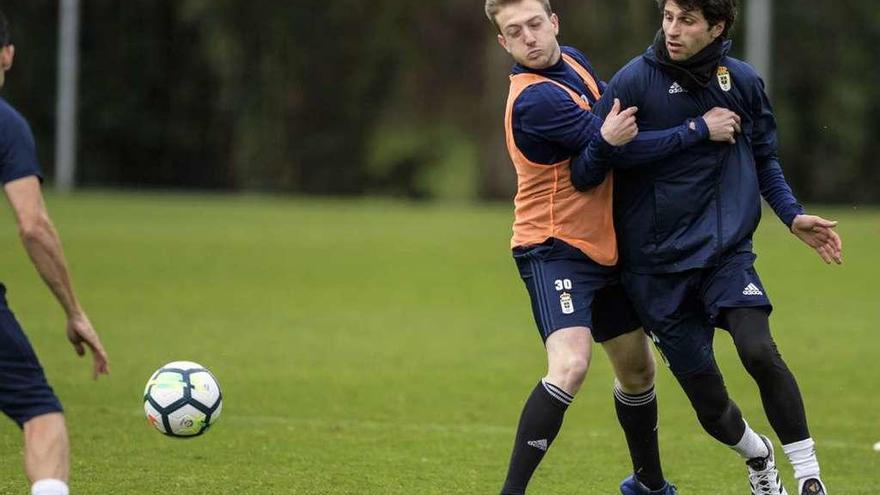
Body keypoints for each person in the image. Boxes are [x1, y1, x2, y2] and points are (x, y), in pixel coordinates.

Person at [571, 1, 841, 494]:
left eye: (687, 20)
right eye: (669, 16)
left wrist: (792, 214)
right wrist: (691, 131)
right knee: (713, 410)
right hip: (654, 270)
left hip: (724, 255)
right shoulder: (632, 82)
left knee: (758, 349)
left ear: (716, 28)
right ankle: (758, 456)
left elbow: (765, 158)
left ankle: (808, 477)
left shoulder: (741, 82)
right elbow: (586, 171)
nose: (672, 30)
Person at [486, 1, 742, 493]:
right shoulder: (535, 99)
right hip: (553, 247)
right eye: (515, 32)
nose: (530, 38)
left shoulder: (575, 61)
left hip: (602, 247)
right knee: (571, 364)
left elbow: (625, 124)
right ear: (504, 43)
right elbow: (618, 150)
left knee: (638, 370)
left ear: (554, 22)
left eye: (535, 24)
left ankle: (648, 485)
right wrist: (697, 129)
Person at [0, 10, 110, 495]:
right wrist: (73, 310)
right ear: (7, 55)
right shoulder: (7, 126)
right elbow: (33, 226)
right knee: (40, 414)